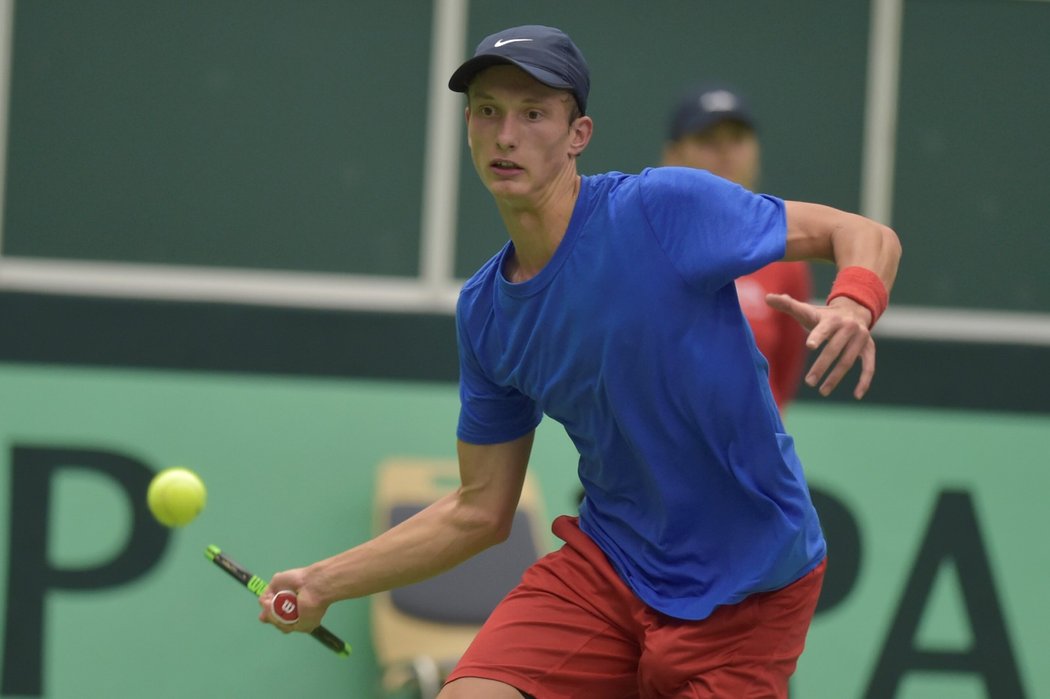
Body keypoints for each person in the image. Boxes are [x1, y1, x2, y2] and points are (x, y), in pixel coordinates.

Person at [258, 25, 901, 699]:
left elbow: (861, 234)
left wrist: (855, 304)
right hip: (610, 569)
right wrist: (324, 581)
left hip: (752, 590)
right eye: (486, 110)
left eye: (533, 113)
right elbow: (480, 508)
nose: (506, 134)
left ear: (578, 135)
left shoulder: (663, 209)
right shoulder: (486, 312)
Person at [663, 84, 812, 412]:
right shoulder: (647, 242)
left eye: (738, 140)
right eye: (707, 141)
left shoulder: (784, 258)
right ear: (672, 156)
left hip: (754, 456)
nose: (725, 152)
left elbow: (782, 377)